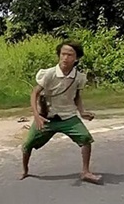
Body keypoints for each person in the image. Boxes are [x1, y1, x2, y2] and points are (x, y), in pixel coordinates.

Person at [21, 40, 102, 184]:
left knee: (86, 139)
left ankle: (85, 171)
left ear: (76, 58)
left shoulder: (78, 77)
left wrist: (82, 112)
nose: (65, 58)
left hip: (68, 116)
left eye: (70, 55)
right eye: (63, 54)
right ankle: (25, 170)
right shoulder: (50, 74)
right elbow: (34, 94)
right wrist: (37, 116)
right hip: (47, 118)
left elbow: (76, 96)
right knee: (27, 144)